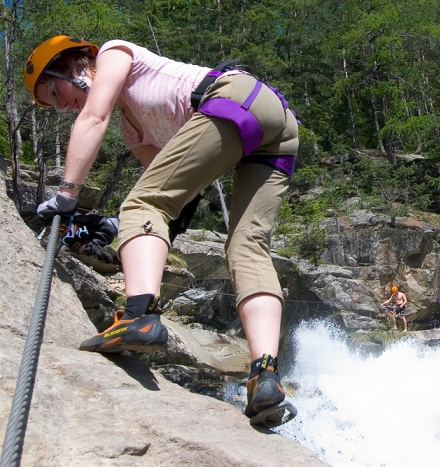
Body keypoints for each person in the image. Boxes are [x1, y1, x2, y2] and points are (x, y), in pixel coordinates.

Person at [25, 35, 298, 427]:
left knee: (140, 203)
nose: (62, 104)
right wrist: (115, 227)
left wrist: (68, 194)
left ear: (72, 65)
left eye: (55, 90)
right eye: (53, 105)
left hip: (235, 95)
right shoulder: (135, 134)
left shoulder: (112, 54)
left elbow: (94, 118)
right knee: (246, 247)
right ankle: (265, 378)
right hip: (275, 125)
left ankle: (139, 316)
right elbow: (176, 199)